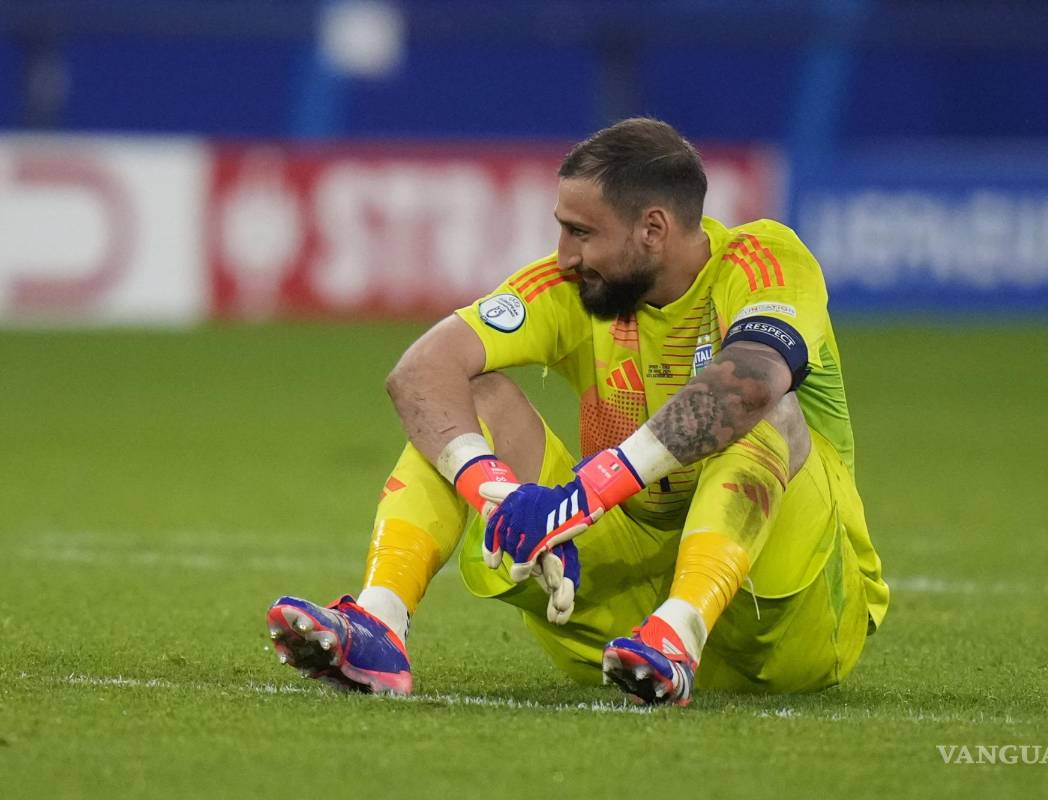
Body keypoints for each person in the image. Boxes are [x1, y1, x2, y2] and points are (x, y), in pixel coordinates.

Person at [265, 118, 889, 706]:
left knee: (767, 408)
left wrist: (584, 494)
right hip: (619, 624)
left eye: (581, 232)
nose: (564, 254)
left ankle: (682, 628)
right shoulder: (573, 290)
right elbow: (420, 372)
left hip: (787, 619)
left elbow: (749, 382)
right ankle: (380, 622)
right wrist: (498, 495)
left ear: (652, 229)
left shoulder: (762, 260)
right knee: (472, 396)